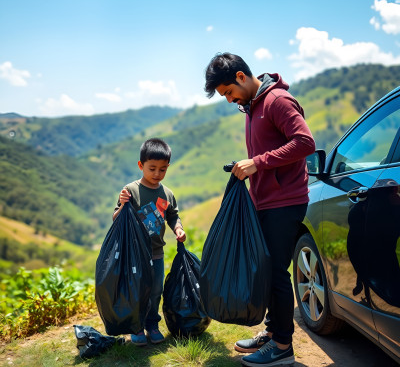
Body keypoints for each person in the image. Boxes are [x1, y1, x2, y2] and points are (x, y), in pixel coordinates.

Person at [204, 52, 315, 366]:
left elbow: (305, 142)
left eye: (228, 92)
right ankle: (271, 332)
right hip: (265, 202)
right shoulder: (252, 106)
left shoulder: (278, 101)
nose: (228, 100)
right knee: (265, 270)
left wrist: (257, 163)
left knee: (276, 273)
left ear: (241, 77)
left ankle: (282, 348)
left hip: (286, 202)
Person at [113, 138, 186, 346]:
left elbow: (173, 215)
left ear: (168, 168)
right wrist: (122, 206)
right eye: (152, 168)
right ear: (140, 165)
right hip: (134, 254)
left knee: (155, 290)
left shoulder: (167, 193)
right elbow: (116, 219)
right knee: (137, 290)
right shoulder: (131, 190)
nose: (157, 174)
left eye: (162, 169)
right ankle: (136, 327)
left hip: (156, 252)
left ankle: (152, 325)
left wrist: (178, 228)